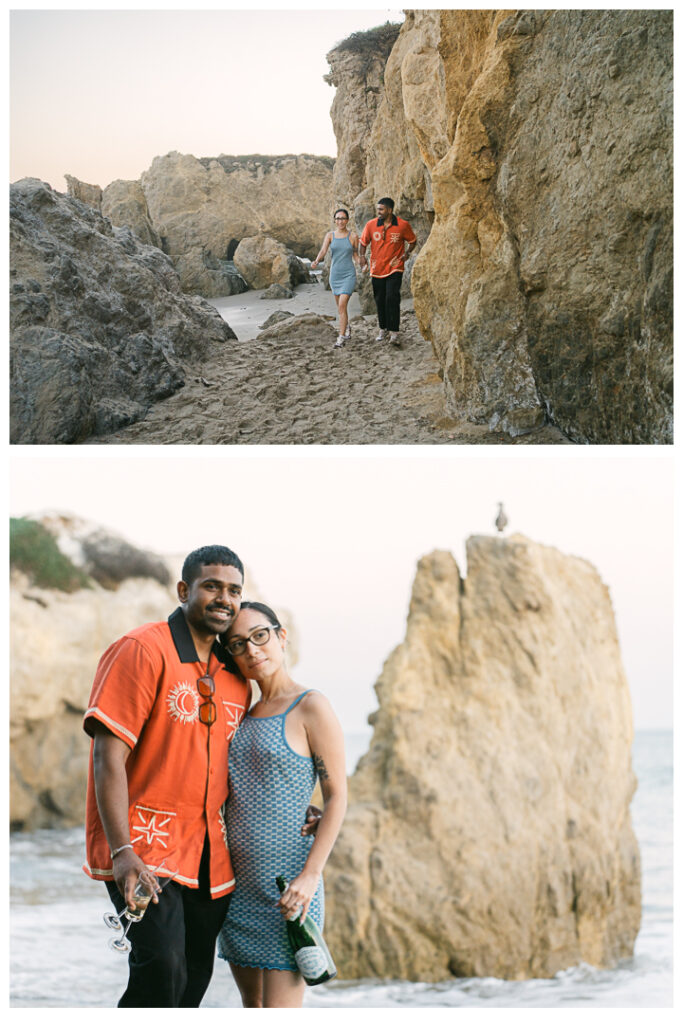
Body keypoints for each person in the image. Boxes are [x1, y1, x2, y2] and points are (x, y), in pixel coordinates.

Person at [82, 545, 317, 1007]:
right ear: (184, 590)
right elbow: (106, 757)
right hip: (145, 848)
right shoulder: (142, 650)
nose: (223, 598)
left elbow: (231, 766)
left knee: (192, 983)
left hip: (212, 859)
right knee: (161, 971)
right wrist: (124, 852)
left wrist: (289, 801)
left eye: (234, 590)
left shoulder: (234, 675)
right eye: (211, 586)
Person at [217, 601, 347, 1008]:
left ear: (280, 636)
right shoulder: (239, 713)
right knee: (251, 1009)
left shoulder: (310, 706)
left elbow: (338, 796)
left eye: (260, 636)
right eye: (238, 644)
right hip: (238, 889)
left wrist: (310, 878)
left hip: (288, 889)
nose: (252, 650)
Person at [359, 196, 417, 347]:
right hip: (376, 269)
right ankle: (382, 328)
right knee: (380, 300)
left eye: (381, 209)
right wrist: (362, 257)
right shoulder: (371, 225)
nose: (378, 212)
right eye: (377, 209)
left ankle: (394, 332)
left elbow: (412, 241)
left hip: (395, 268)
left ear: (390, 210)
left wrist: (406, 254)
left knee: (392, 298)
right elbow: (363, 243)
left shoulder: (403, 225)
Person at [311, 209, 358, 348]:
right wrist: (316, 261)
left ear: (347, 220)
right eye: (338, 218)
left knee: (342, 305)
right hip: (335, 275)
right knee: (340, 308)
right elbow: (323, 251)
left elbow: (355, 254)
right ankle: (347, 327)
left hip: (349, 274)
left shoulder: (353, 236)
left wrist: (362, 263)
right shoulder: (330, 235)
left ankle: (341, 337)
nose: (340, 221)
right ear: (335, 220)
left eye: (343, 218)